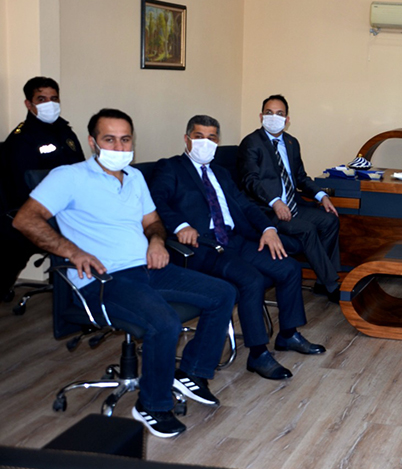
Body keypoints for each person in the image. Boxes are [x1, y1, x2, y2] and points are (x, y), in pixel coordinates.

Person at [13, 108, 236, 438]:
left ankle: (191, 373)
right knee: (165, 322)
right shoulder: (68, 177)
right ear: (92, 142)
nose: (119, 147)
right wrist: (73, 252)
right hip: (103, 279)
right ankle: (152, 405)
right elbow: (25, 219)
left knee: (223, 293)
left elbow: (152, 221)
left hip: (147, 268)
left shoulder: (134, 177)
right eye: (110, 139)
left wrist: (157, 242)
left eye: (125, 139)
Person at [150, 115, 325, 382]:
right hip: (202, 246)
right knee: (251, 279)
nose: (205, 143)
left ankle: (288, 335)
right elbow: (156, 202)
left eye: (211, 137)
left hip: (234, 240)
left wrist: (268, 229)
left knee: (288, 267)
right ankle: (258, 353)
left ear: (218, 141)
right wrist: (180, 225)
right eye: (198, 136)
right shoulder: (170, 168)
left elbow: (245, 206)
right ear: (186, 138)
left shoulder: (221, 172)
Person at [237, 95, 341, 302]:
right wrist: (274, 201)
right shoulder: (251, 143)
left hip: (293, 205)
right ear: (261, 116)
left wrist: (322, 196)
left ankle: (322, 282)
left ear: (287, 119)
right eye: (269, 113)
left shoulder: (291, 143)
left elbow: (300, 177)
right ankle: (332, 286)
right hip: (266, 210)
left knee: (330, 220)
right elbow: (250, 180)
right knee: (307, 229)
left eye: (279, 114)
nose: (273, 117)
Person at [1, 76, 85, 300]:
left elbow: (81, 171)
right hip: (36, 210)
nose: (50, 104)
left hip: (68, 206)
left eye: (54, 98)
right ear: (28, 104)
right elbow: (23, 187)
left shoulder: (66, 132)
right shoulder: (22, 140)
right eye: (41, 99)